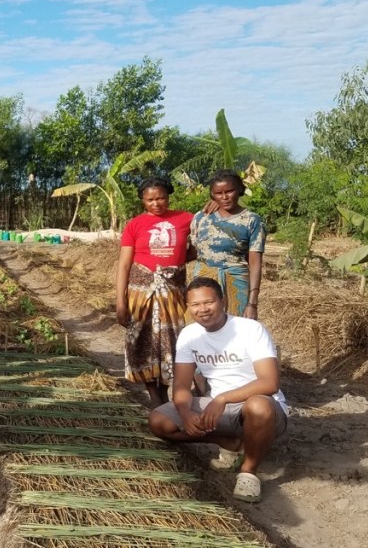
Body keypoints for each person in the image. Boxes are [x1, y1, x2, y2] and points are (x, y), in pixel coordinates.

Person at [148, 277, 288, 503]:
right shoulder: (189, 335)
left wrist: (222, 398)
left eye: (208, 302)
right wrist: (185, 413)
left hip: (260, 406)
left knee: (258, 405)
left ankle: (249, 472)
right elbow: (182, 385)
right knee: (159, 421)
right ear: (188, 307)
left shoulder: (250, 329)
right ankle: (231, 443)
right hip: (219, 408)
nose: (202, 309)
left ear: (223, 301)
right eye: (195, 305)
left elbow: (270, 383)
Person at [116, 177, 193, 405]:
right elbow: (124, 265)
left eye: (160, 198)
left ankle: (165, 389)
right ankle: (154, 394)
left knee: (172, 340)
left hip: (173, 291)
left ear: (168, 196)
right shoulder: (134, 225)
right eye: (150, 199)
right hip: (140, 293)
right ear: (142, 200)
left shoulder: (186, 219)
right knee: (142, 340)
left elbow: (199, 242)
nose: (156, 203)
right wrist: (120, 302)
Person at [191, 170, 266, 319]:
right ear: (212, 194)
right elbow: (194, 250)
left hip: (236, 282)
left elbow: (255, 262)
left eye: (230, 191)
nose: (224, 197)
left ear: (239, 189)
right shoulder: (201, 217)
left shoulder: (252, 220)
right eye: (218, 193)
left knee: (236, 329)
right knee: (201, 329)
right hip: (203, 281)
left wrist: (252, 303)